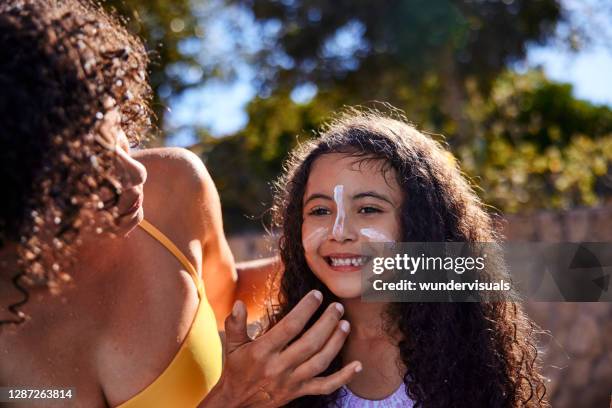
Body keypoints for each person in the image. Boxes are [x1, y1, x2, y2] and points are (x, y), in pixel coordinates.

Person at [0, 1, 361, 406]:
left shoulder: (172, 187)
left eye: (116, 131)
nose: (133, 174)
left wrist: (388, 262)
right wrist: (230, 398)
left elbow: (228, 295)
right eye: (91, 165)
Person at [266, 108, 549, 407]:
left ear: (421, 225)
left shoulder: (471, 341)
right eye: (320, 211)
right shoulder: (281, 356)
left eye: (368, 209)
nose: (340, 232)